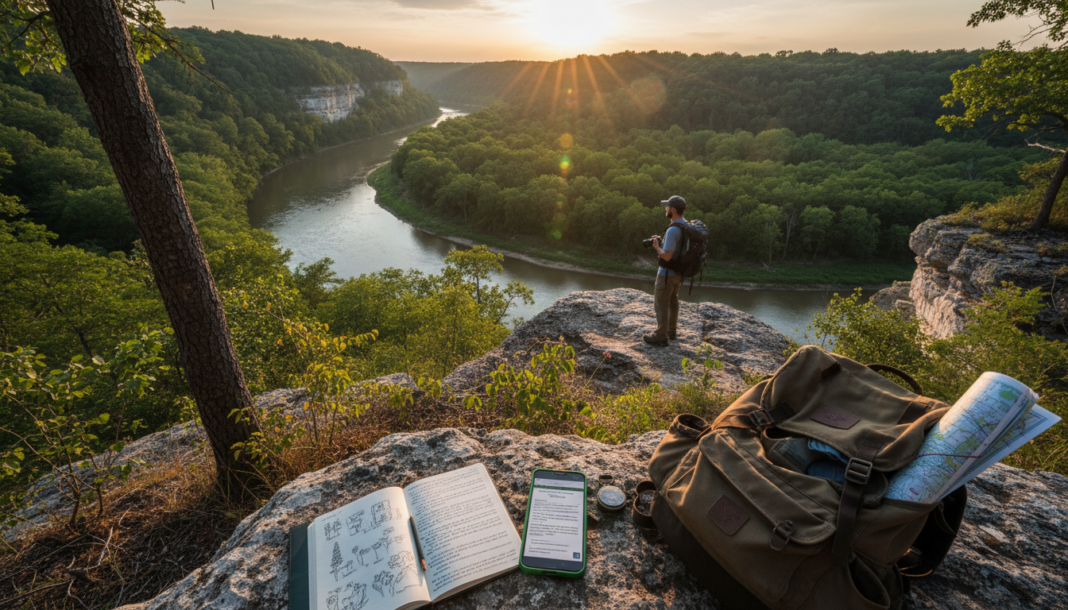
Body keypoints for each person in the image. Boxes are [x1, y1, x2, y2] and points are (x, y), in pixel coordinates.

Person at [644, 195, 687, 345]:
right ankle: (671, 332)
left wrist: (657, 247)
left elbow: (667, 256)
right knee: (673, 301)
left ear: (673, 210)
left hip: (667, 274)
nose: (666, 209)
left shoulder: (673, 230)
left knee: (662, 304)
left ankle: (661, 337)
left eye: (667, 207)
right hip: (679, 273)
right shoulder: (686, 225)